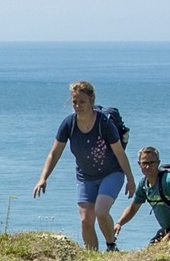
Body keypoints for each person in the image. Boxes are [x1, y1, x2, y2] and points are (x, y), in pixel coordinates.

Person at [31, 81, 134, 251]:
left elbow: (119, 153)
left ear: (91, 100)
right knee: (86, 221)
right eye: (74, 102)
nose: (78, 106)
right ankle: (92, 258)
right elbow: (54, 153)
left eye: (82, 102)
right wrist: (43, 178)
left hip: (111, 173)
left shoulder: (104, 123)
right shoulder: (69, 124)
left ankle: (111, 246)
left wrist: (130, 179)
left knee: (101, 210)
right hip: (85, 177)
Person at [117, 147, 170, 245]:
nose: (148, 167)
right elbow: (133, 208)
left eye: (151, 163)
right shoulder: (143, 183)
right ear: (139, 164)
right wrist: (119, 223)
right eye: (144, 163)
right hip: (167, 230)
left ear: (158, 163)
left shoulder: (169, 182)